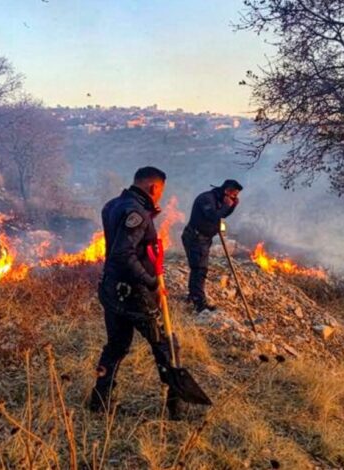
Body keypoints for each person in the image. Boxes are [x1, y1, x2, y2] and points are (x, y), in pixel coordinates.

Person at [89, 166, 186, 419]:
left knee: (116, 346)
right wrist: (151, 282)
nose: (160, 197)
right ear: (153, 187)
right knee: (166, 346)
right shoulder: (137, 213)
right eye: (160, 192)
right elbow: (123, 254)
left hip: (111, 289)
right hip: (135, 294)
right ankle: (176, 408)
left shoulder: (112, 205)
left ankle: (99, 401)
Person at [182, 179, 243, 314]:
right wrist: (227, 206)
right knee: (199, 269)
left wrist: (232, 206)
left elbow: (223, 214)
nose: (235, 197)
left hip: (204, 239)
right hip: (195, 237)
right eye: (234, 195)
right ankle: (199, 303)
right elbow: (213, 216)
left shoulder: (221, 199)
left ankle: (193, 296)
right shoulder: (206, 199)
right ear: (227, 190)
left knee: (198, 268)